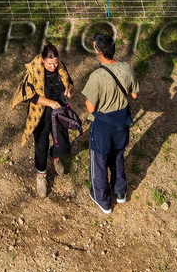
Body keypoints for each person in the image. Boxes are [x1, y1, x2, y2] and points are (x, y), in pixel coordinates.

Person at [82, 31, 138, 215]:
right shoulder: (127, 68)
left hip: (103, 127)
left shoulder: (97, 76)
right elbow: (134, 94)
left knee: (99, 162)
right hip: (122, 123)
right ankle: (120, 192)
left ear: (99, 52)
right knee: (117, 156)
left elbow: (90, 108)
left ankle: (103, 200)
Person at [10, 41, 76, 198]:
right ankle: (41, 175)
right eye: (50, 64)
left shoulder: (60, 67)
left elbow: (71, 83)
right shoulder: (34, 70)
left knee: (63, 143)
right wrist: (51, 103)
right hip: (40, 114)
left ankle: (54, 156)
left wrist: (69, 90)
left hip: (58, 112)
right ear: (42, 59)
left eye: (55, 63)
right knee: (41, 145)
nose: (53, 67)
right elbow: (30, 95)